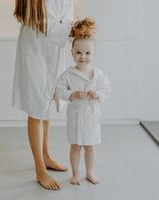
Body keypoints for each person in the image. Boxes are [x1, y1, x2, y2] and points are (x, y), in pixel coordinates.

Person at [12, 0, 73, 190]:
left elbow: (68, 19)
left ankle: (46, 156)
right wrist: (70, 30)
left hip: (53, 53)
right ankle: (39, 168)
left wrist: (73, 28)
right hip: (34, 51)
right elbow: (41, 23)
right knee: (36, 109)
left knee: (46, 106)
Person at [56, 17, 111, 185]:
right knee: (75, 147)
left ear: (93, 54)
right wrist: (72, 94)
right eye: (78, 52)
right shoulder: (68, 74)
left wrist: (98, 95)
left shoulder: (98, 74)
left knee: (89, 147)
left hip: (91, 118)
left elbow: (106, 88)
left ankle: (89, 172)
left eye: (87, 53)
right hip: (75, 117)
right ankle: (75, 174)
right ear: (72, 53)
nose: (83, 56)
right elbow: (59, 90)